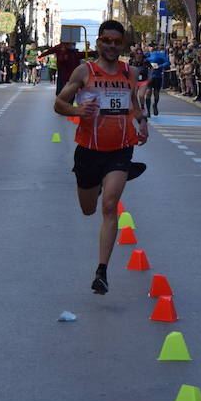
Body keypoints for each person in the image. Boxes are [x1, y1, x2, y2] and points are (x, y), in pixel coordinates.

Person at [52, 20, 149, 295]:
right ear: (98, 42)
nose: (111, 45)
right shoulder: (85, 71)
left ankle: (102, 272)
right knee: (88, 209)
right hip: (89, 151)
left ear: (122, 45)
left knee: (110, 207)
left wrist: (142, 122)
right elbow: (58, 103)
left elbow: (134, 104)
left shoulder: (130, 72)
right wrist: (77, 110)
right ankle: (98, 184)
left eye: (117, 42)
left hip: (120, 148)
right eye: (107, 40)